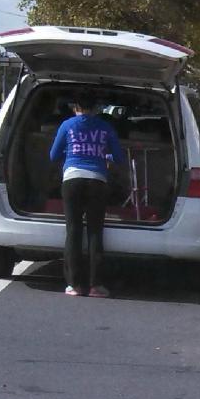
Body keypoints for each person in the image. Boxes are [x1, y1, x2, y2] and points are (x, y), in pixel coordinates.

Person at [48, 96, 127, 298]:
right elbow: (119, 157)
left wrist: (70, 152)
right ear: (96, 108)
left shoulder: (67, 125)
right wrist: (104, 156)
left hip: (72, 179)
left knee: (73, 231)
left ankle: (74, 285)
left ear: (76, 107)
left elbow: (53, 155)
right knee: (94, 232)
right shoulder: (105, 126)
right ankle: (96, 285)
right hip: (97, 181)